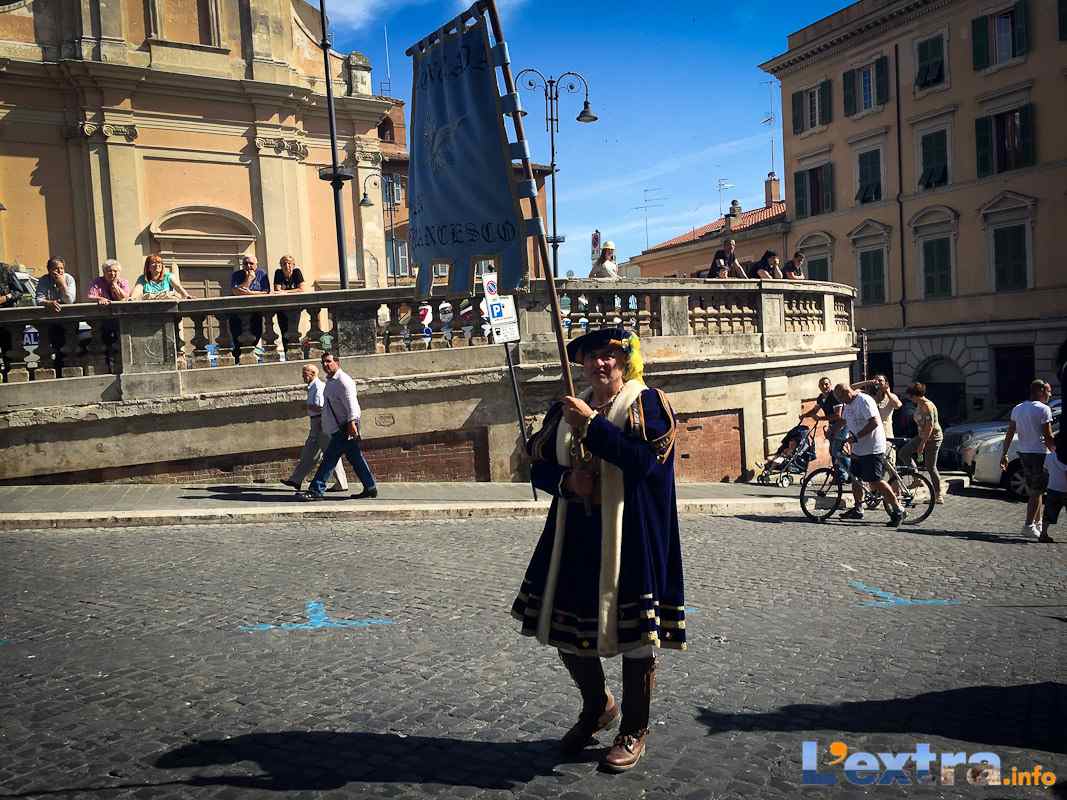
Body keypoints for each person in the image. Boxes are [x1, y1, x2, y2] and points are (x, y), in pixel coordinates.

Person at [510, 327, 686, 773]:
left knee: (636, 637)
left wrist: (592, 425)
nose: (599, 363)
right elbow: (536, 465)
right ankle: (597, 706)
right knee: (565, 630)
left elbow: (645, 463)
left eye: (608, 355)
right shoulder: (566, 408)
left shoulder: (648, 404)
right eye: (591, 357)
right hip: (574, 536)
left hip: (631, 535)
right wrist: (568, 481)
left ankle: (634, 728)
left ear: (624, 360)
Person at [299, 352, 377, 501]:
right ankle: (370, 487)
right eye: (323, 362)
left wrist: (352, 423)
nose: (325, 365)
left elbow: (352, 404)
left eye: (328, 361)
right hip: (339, 427)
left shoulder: (343, 381)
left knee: (329, 458)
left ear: (337, 363)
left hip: (345, 427)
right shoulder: (330, 381)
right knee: (355, 458)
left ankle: (316, 489)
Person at [833, 383, 906, 527]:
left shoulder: (864, 401)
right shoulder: (848, 404)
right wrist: (832, 431)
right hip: (858, 448)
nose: (842, 402)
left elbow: (874, 423)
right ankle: (858, 509)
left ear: (847, 392)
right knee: (855, 479)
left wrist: (856, 437)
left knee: (875, 481)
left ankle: (899, 509)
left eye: (841, 398)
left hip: (872, 447)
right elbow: (844, 421)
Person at [1001, 379, 1055, 539]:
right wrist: (1056, 452)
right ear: (1040, 391)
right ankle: (1028, 525)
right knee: (1036, 491)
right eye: (1048, 391)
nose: (1050, 395)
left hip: (1024, 452)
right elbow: (1048, 436)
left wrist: (1004, 453)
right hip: (1039, 453)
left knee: (1036, 490)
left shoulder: (1018, 408)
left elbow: (1010, 432)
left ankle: (1037, 523)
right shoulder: (1044, 409)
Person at [282, 364, 348, 493]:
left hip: (320, 424)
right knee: (309, 453)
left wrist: (307, 407)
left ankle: (342, 483)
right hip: (316, 424)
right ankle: (296, 480)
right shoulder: (313, 387)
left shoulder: (318, 387)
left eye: (305, 374)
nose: (303, 376)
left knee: (330, 453)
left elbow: (321, 407)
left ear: (312, 374)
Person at [895, 383, 944, 504]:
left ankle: (938, 495)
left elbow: (929, 427)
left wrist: (922, 444)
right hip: (922, 436)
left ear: (915, 395)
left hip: (933, 439)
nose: (910, 399)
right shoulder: (919, 404)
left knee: (930, 467)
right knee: (903, 453)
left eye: (910, 396)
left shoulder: (927, 406)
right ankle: (917, 479)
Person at [799, 376, 849, 482]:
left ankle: (849, 473)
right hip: (832, 426)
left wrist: (820, 418)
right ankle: (839, 475)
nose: (825, 386)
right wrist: (805, 415)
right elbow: (815, 410)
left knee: (836, 450)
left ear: (830, 385)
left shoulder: (834, 396)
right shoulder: (821, 398)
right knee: (833, 451)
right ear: (819, 387)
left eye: (826, 384)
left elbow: (838, 415)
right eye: (822, 385)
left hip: (842, 425)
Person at [34, 256, 77, 372]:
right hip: (50, 320)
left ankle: (68, 370)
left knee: (69, 347)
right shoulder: (44, 280)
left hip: (68, 320)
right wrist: (49, 303)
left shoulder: (68, 279)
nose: (59, 271)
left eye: (61, 268)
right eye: (56, 268)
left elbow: (70, 300)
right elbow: (39, 300)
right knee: (55, 347)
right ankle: (56, 370)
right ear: (49, 270)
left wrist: (62, 284)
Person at [228, 254, 270, 361]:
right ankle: (238, 360)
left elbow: (266, 292)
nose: (248, 266)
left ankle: (249, 358)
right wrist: (249, 279)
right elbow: (236, 292)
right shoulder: (236, 275)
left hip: (256, 313)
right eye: (245, 263)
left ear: (256, 264)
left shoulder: (262, 274)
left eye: (251, 263)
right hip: (237, 314)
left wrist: (249, 293)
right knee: (237, 340)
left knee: (256, 335)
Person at [851, 374, 902, 439]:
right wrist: (868, 382)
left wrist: (887, 392)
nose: (877, 382)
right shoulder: (869, 396)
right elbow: (851, 389)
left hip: (886, 434)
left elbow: (898, 406)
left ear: (886, 383)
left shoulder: (891, 397)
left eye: (880, 380)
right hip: (872, 435)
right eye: (875, 380)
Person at [1040, 428, 1067, 543]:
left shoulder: (1050, 456)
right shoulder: (1064, 459)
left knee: (1048, 513)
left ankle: (1043, 533)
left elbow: (1045, 469)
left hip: (1052, 488)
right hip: (1065, 490)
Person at [273, 255, 306, 342]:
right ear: (281, 265)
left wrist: (285, 292)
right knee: (283, 331)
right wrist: (292, 291)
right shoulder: (278, 273)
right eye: (284, 264)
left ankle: (295, 347)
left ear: (293, 265)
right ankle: (286, 349)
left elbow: (301, 289)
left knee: (294, 330)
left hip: (295, 306)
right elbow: (277, 289)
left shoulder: (296, 272)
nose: (287, 266)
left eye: (289, 263)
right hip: (282, 306)